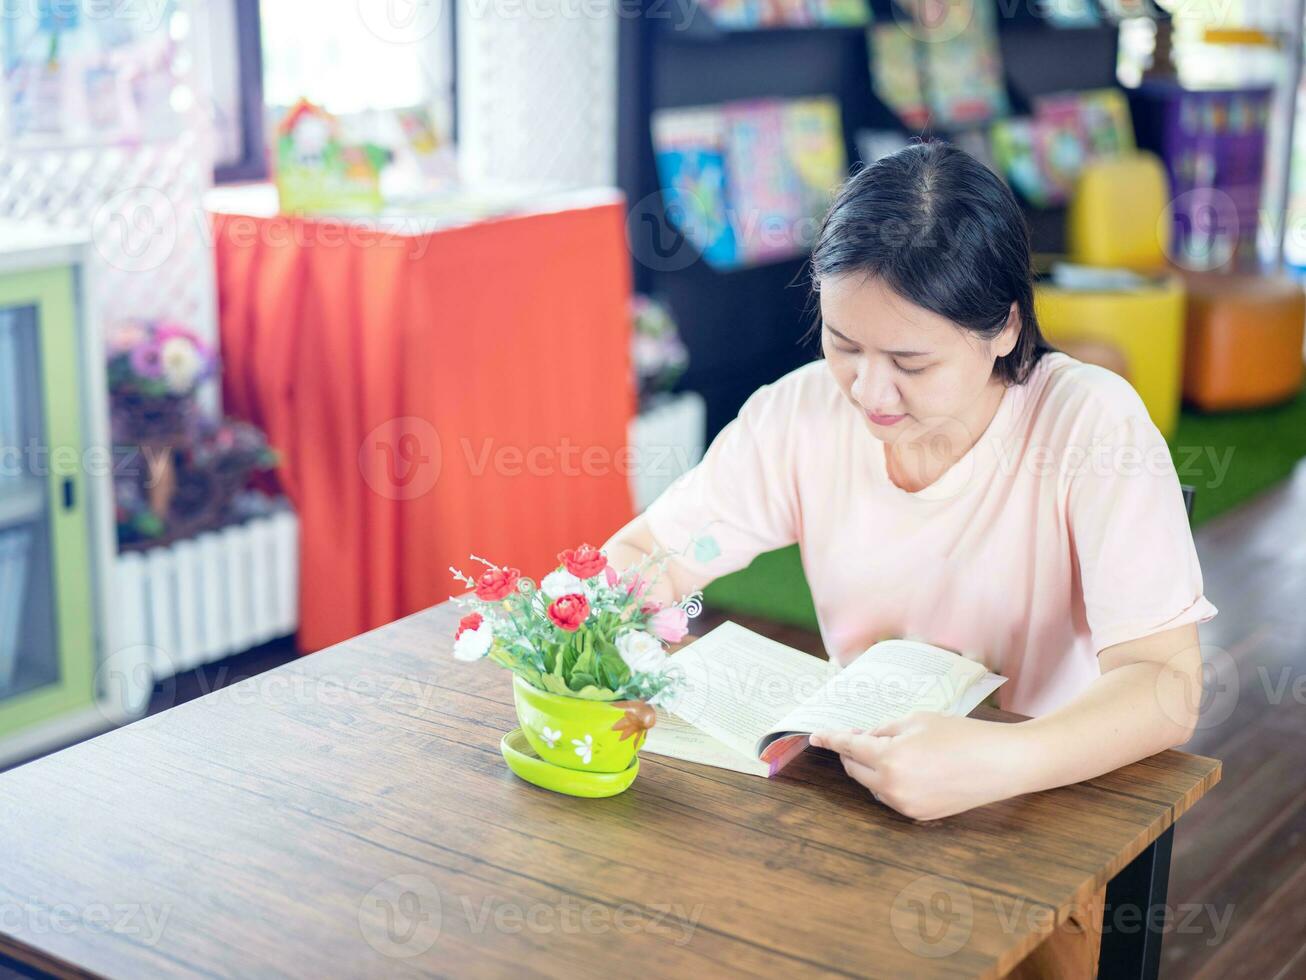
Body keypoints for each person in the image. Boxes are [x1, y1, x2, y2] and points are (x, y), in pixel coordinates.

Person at [602, 142, 1216, 821]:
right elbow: (645, 555)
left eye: (910, 362)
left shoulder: (1090, 425)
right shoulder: (801, 414)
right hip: (858, 786)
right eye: (843, 343)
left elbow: (1166, 684)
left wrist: (1000, 761)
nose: (869, 391)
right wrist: (643, 626)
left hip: (1049, 793)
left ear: (1005, 327)